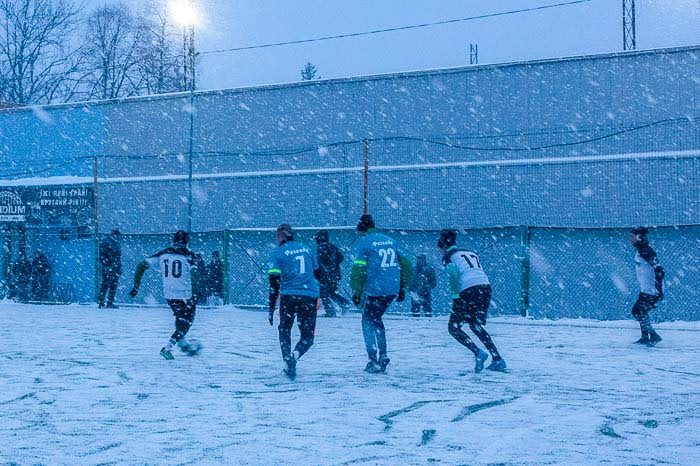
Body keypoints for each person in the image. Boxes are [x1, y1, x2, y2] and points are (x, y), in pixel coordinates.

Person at [350, 214, 411, 373]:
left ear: (361, 229)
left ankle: (373, 358)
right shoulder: (390, 241)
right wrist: (402, 285)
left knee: (367, 320)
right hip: (392, 288)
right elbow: (406, 262)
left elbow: (359, 269)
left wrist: (356, 290)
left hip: (376, 288)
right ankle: (383, 354)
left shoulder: (364, 243)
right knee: (376, 318)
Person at [438, 229, 506, 373]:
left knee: (453, 328)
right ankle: (498, 359)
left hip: (468, 290)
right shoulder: (469, 253)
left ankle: (478, 353)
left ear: (442, 247)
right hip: (485, 288)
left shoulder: (448, 257)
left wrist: (456, 298)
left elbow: (453, 275)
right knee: (475, 325)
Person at [129, 230, 201, 360]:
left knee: (180, 318)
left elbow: (141, 265)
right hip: (185, 294)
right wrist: (195, 293)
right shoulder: (189, 255)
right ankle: (168, 347)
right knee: (187, 323)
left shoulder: (163, 254)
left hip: (169, 294)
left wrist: (136, 286)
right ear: (187, 242)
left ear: (173, 241)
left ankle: (182, 342)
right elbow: (195, 274)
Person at [268, 224, 320, 380]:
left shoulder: (278, 253)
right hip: (309, 295)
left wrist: (271, 307)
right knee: (308, 337)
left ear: (281, 236)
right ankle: (295, 356)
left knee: (284, 329)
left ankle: (287, 361)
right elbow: (317, 273)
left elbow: (274, 281)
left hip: (289, 295)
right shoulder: (306, 249)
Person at [629, 227, 664, 346]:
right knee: (641, 311)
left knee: (637, 311)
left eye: (632, 236)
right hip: (646, 289)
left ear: (639, 237)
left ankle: (653, 335)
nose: (631, 239)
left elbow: (659, 269)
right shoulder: (641, 250)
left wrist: (658, 289)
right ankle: (645, 337)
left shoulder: (646, 251)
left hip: (651, 290)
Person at [314, 229, 350, 317]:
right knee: (330, 292)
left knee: (324, 293)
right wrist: (334, 266)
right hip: (335, 275)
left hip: (326, 276)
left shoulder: (321, 248)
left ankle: (330, 311)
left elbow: (320, 263)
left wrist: (318, 273)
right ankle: (344, 303)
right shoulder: (333, 246)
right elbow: (341, 257)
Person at [98, 229, 122, 308]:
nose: (117, 237)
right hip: (108, 267)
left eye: (118, 235)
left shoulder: (117, 244)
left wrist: (118, 267)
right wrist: (106, 265)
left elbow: (118, 257)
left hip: (115, 267)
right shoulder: (106, 242)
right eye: (116, 235)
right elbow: (102, 255)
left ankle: (109, 302)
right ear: (112, 234)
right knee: (105, 284)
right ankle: (101, 302)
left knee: (113, 285)